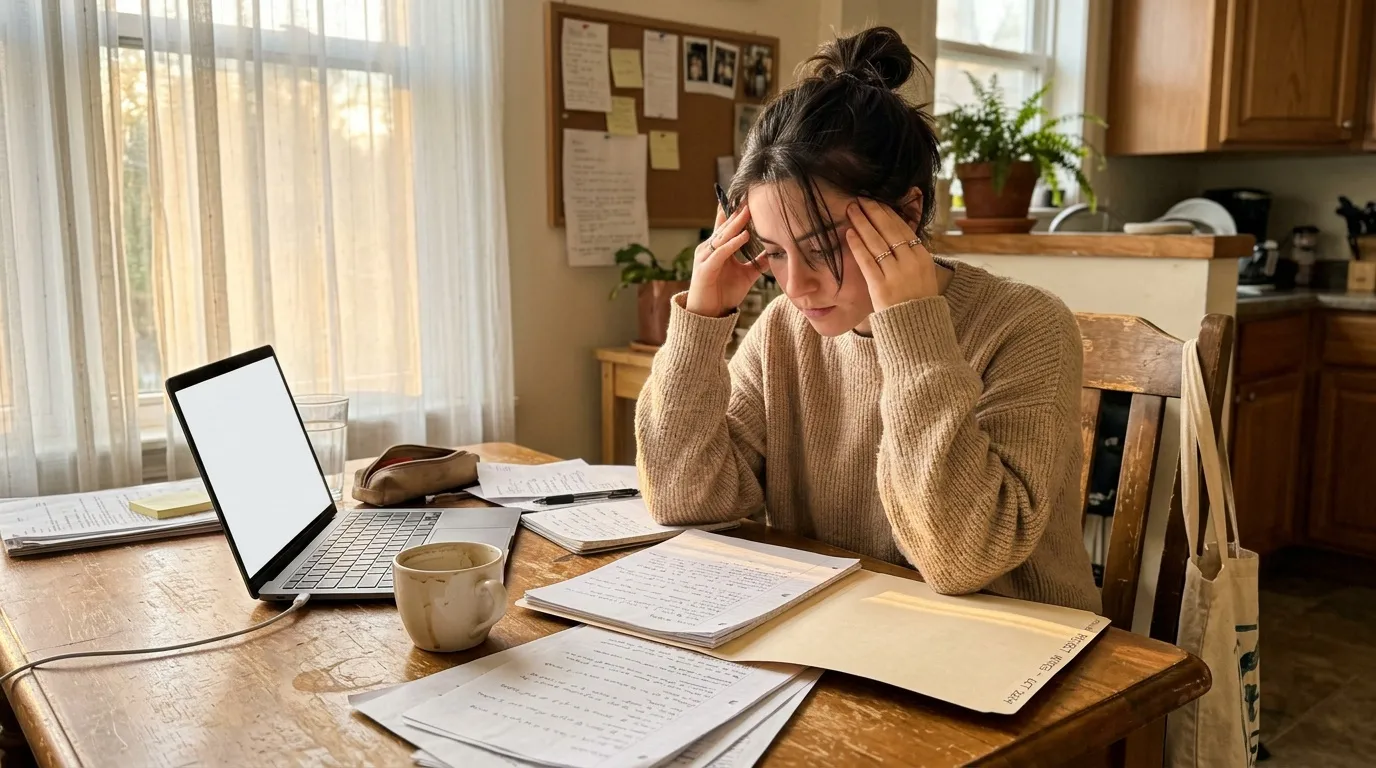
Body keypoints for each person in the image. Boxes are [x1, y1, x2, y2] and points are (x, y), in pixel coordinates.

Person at [634, 26, 1099, 612]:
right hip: (847, 634)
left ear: (907, 212)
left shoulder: (1027, 326)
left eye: (825, 246)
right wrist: (702, 321)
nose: (797, 286)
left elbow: (964, 558)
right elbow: (682, 499)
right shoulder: (783, 330)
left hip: (1021, 654)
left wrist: (911, 329)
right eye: (774, 251)